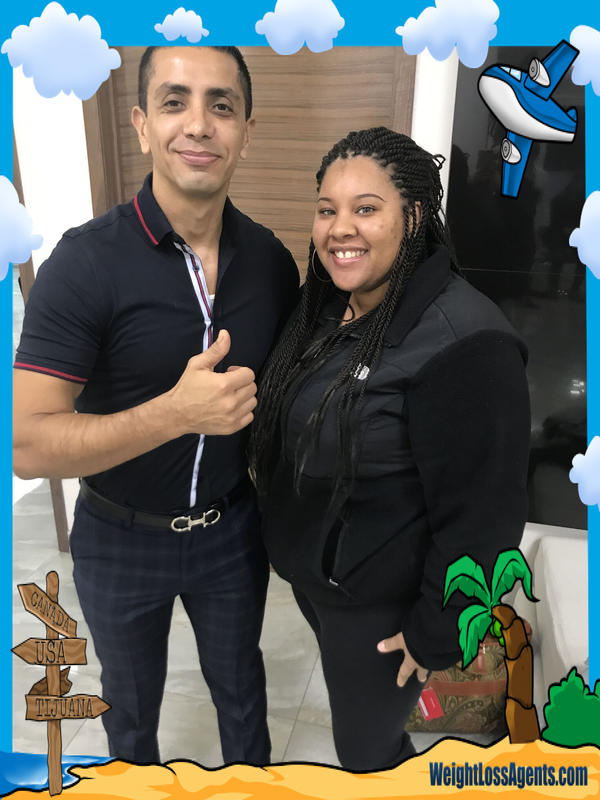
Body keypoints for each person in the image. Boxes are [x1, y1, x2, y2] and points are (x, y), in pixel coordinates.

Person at [13, 46, 299, 765]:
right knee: (130, 715)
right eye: (175, 102)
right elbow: (26, 442)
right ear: (143, 125)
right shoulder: (84, 264)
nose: (198, 124)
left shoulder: (270, 262)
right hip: (119, 536)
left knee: (243, 699)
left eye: (221, 106)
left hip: (231, 532)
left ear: (246, 131)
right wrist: (175, 414)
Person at [249, 127, 530, 772]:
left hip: (383, 612)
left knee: (366, 753)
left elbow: (485, 518)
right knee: (364, 727)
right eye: (327, 210)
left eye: (366, 208)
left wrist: (435, 633)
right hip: (321, 583)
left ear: (415, 216)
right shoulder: (327, 305)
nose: (340, 228)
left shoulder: (467, 342)